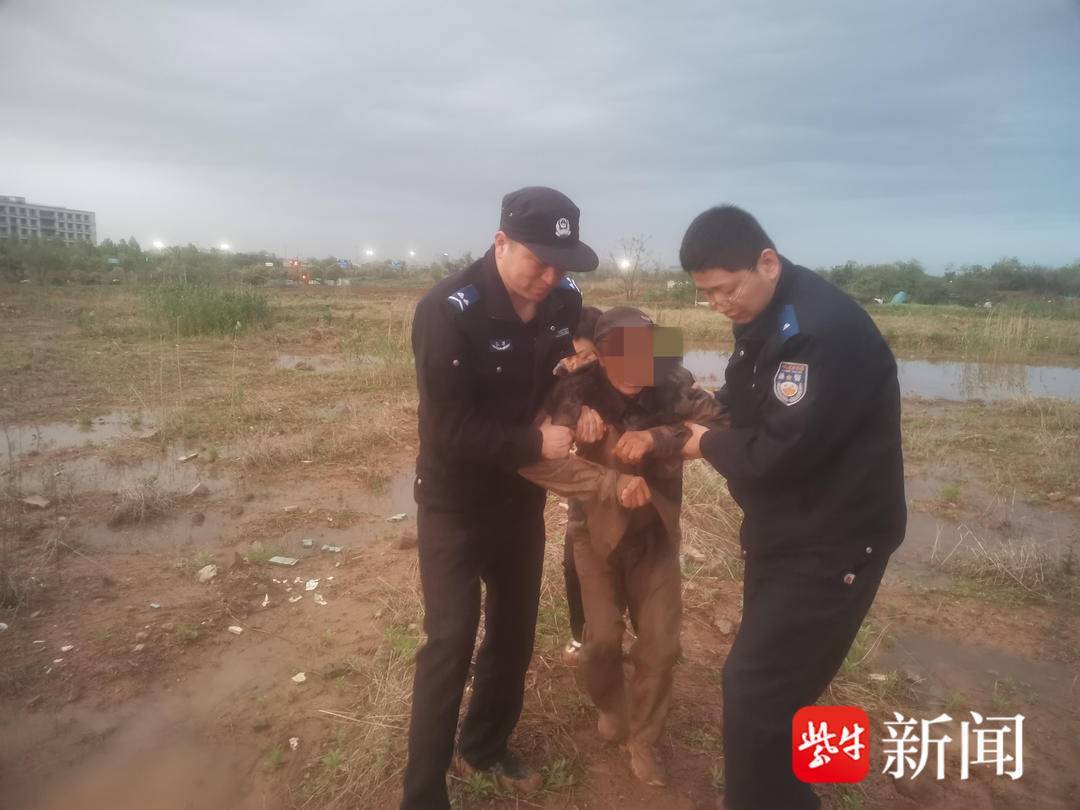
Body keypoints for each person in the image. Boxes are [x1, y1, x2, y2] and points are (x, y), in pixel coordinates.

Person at [677, 205, 906, 810]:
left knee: (754, 689)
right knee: (776, 690)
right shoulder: (769, 314)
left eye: (725, 290)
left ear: (767, 262)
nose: (719, 305)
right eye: (706, 295)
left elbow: (781, 451)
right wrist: (711, 405)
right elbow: (755, 393)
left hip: (833, 539)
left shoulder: (815, 330)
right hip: (786, 527)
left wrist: (704, 444)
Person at [402, 186, 599, 810]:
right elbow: (447, 431)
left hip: (520, 500)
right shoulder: (447, 311)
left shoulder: (564, 300)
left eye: (561, 263)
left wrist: (611, 377)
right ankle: (423, 792)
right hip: (455, 503)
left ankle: (484, 745)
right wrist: (534, 441)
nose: (550, 276)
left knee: (514, 632)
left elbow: (624, 334)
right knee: (450, 641)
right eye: (537, 259)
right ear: (500, 243)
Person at [519, 306, 729, 787]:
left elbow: (727, 429)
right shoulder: (575, 389)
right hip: (595, 537)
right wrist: (605, 477)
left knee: (660, 645)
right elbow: (533, 460)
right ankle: (612, 706)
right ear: (603, 356)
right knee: (602, 641)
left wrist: (658, 437)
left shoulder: (673, 382)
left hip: (655, 535)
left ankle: (644, 740)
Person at [553, 305, 603, 666]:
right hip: (587, 481)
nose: (584, 361)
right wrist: (577, 410)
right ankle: (580, 633)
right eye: (578, 354)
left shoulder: (639, 355)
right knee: (575, 561)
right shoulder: (564, 370)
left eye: (592, 355)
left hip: (637, 477)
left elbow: (672, 370)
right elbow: (549, 399)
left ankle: (650, 638)